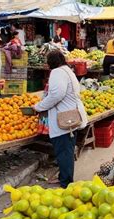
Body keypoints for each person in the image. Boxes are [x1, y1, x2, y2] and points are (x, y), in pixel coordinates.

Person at [33, 50, 88, 188]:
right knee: (67, 150)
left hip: (64, 119)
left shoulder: (57, 73)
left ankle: (66, 183)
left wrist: (39, 107)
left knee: (64, 152)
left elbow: (56, 95)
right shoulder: (67, 70)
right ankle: (63, 177)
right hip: (71, 116)